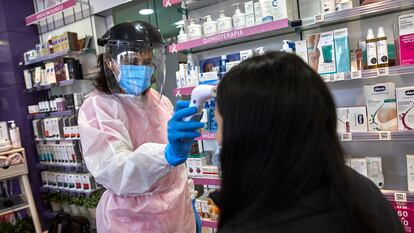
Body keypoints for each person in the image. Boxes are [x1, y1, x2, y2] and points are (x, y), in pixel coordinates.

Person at [214, 52, 404, 233]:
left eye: (219, 125)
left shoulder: (252, 222)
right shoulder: (361, 190)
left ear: (248, 133)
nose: (217, 138)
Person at [78, 21, 203, 233]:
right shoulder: (99, 107)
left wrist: (190, 199)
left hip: (178, 214)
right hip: (132, 221)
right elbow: (115, 170)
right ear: (109, 62)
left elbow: (177, 171)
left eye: (146, 62)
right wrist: (166, 154)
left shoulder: (159, 101)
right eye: (133, 61)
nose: (141, 69)